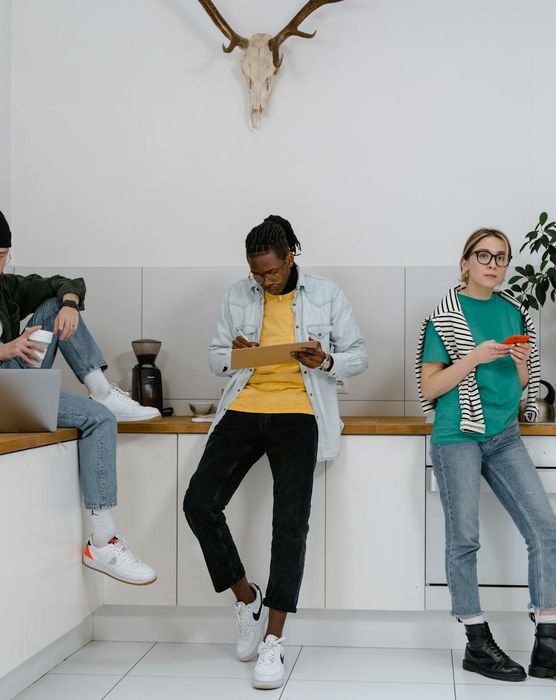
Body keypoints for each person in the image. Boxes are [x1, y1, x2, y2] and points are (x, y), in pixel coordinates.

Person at [183, 215, 367, 689]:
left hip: (300, 413)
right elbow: (214, 356)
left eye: (271, 272)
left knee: (290, 524)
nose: (263, 281)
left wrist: (324, 360)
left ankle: (274, 639)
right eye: (256, 274)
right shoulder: (236, 295)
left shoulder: (326, 294)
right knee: (199, 503)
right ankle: (246, 597)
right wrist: (236, 352)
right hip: (244, 407)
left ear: (290, 257)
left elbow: (358, 355)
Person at [0, 205, 158, 586]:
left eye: (1, 257)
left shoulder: (1, 286)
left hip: (13, 386)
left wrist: (70, 304)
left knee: (58, 304)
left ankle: (101, 392)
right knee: (99, 420)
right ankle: (103, 543)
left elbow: (66, 282)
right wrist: (0, 352)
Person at [415, 228, 556, 683]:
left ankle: (548, 644)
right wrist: (473, 357)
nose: (492, 264)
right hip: (456, 434)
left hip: (504, 434)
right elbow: (430, 388)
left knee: (546, 530)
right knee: (465, 538)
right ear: (465, 262)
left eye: (501, 257)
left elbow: (516, 389)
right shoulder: (445, 316)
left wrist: (519, 369)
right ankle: (477, 641)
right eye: (483, 255)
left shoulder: (515, 313)